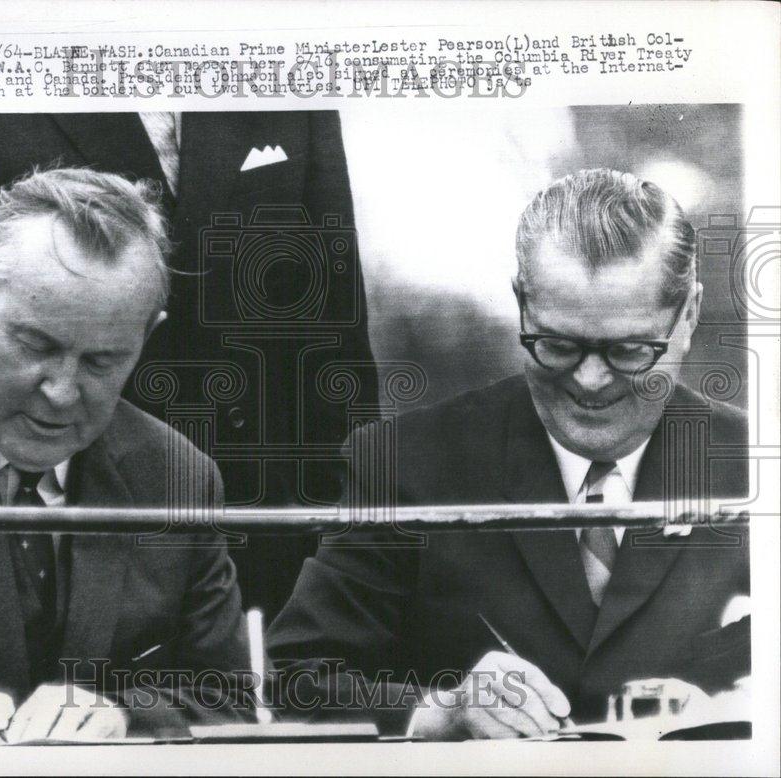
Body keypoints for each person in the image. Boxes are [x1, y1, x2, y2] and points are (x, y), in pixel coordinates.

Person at [0, 112, 379, 622]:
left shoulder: (278, 57)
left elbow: (335, 362)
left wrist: (341, 591)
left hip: (256, 563)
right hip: (8, 560)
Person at [267, 169, 750, 739]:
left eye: (628, 350)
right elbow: (294, 680)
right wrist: (436, 712)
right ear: (521, 302)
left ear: (688, 316)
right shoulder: (404, 464)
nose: (591, 380)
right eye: (558, 345)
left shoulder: (753, 467)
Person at [0, 168, 253, 746]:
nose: (61, 391)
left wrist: (126, 718)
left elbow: (227, 705)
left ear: (147, 336)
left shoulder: (178, 476)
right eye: (37, 345)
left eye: (102, 362)